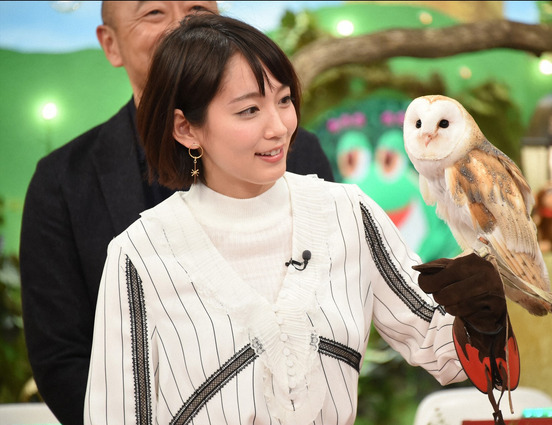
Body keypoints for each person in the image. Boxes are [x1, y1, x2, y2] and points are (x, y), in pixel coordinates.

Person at [84, 12, 511, 424]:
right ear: (186, 129)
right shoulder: (140, 255)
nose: (279, 127)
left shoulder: (347, 213)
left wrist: (481, 316)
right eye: (249, 110)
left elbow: (444, 350)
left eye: (284, 100)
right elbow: (117, 415)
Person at [19, 3, 333, 425]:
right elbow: (62, 356)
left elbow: (329, 308)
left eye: (199, 7)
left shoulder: (297, 152)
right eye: (153, 12)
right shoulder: (62, 181)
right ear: (111, 45)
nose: (184, 25)